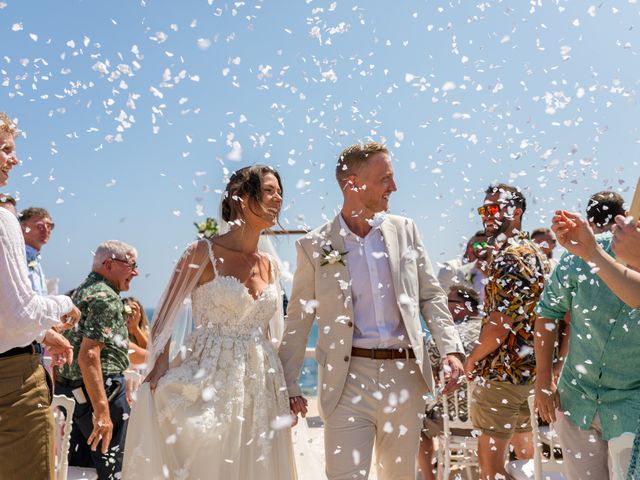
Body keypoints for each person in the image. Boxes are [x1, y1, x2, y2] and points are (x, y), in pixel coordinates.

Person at [279, 142, 465, 480]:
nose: (393, 187)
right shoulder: (314, 246)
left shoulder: (405, 231)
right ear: (353, 184)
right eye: (385, 179)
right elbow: (299, 318)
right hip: (347, 379)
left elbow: (431, 296)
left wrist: (451, 349)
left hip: (406, 374)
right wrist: (289, 383)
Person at [123, 165, 298, 479]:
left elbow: (274, 332)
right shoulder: (202, 252)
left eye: (280, 192)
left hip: (261, 378)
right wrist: (159, 366)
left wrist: (288, 388)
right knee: (212, 459)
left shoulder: (270, 264)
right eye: (269, 191)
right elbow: (164, 316)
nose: (278, 200)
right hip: (211, 373)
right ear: (242, 198)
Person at [0, 111, 81, 480]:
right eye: (5, 149)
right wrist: (65, 303)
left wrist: (43, 332)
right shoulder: (4, 220)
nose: (13, 159)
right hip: (11, 383)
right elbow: (18, 314)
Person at [535, 210, 640, 480]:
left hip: (632, 405)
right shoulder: (581, 257)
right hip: (575, 399)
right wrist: (543, 380)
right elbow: (547, 312)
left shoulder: (590, 252)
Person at [464, 183, 547, 480]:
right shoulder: (536, 251)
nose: (488, 215)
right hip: (529, 373)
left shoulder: (510, 255)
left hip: (502, 374)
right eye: (485, 209)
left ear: (517, 211)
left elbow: (501, 323)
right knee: (526, 463)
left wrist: (473, 358)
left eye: (495, 208)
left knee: (491, 471)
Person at [55, 240, 140, 479]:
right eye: (131, 265)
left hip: (76, 395)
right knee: (113, 470)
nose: (136, 272)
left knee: (82, 470)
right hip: (102, 394)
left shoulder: (82, 290)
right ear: (109, 264)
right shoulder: (105, 297)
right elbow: (89, 355)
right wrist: (102, 412)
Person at [418, 285, 482, 480]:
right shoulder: (491, 332)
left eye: (447, 303)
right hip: (489, 417)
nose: (443, 308)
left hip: (453, 419)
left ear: (463, 306)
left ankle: (429, 477)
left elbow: (426, 372)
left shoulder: (446, 337)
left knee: (417, 424)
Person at [438, 230, 489, 299]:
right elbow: (442, 297)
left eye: (483, 244)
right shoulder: (461, 271)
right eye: (476, 244)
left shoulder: (499, 269)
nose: (479, 247)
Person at [20, 207, 55, 295]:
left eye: (49, 226)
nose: (46, 230)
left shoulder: (34, 258)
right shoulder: (16, 256)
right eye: (40, 226)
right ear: (22, 227)